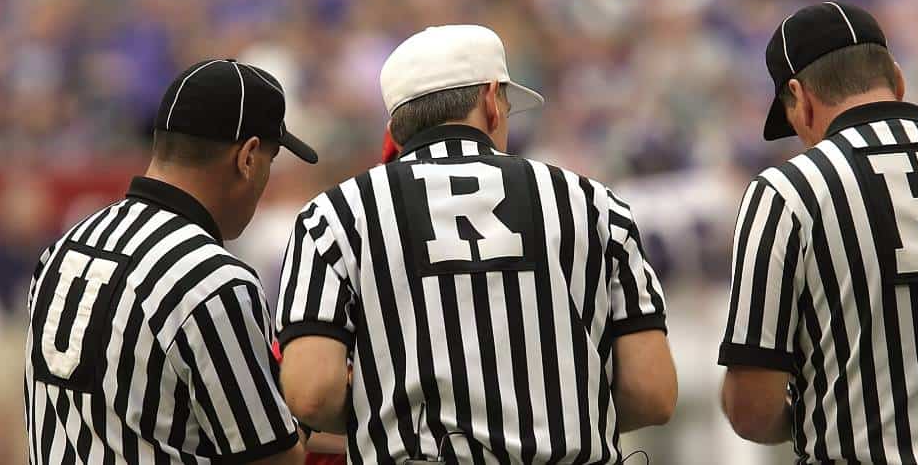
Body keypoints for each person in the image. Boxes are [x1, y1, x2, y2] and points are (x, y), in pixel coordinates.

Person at [275, 25, 677, 463]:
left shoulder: (335, 213)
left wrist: (386, 411)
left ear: (396, 124)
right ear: (490, 100)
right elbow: (652, 392)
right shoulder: (595, 204)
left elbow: (310, 393)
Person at [24, 58, 318, 464]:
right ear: (248, 157)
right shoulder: (213, 279)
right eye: (270, 161)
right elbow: (272, 458)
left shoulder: (65, 246)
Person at [718, 2, 918, 464]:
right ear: (897, 80)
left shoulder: (786, 192)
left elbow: (751, 408)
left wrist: (813, 409)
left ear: (800, 100)